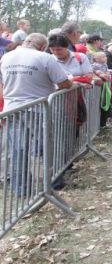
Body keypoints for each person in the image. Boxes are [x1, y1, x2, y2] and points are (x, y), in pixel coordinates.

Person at [0, 33, 72, 196]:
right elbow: (64, 83)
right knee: (48, 146)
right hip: (38, 109)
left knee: (18, 150)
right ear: (42, 46)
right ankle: (55, 182)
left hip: (12, 108)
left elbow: (2, 85)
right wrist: (71, 81)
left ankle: (21, 189)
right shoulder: (45, 58)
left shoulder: (6, 57)